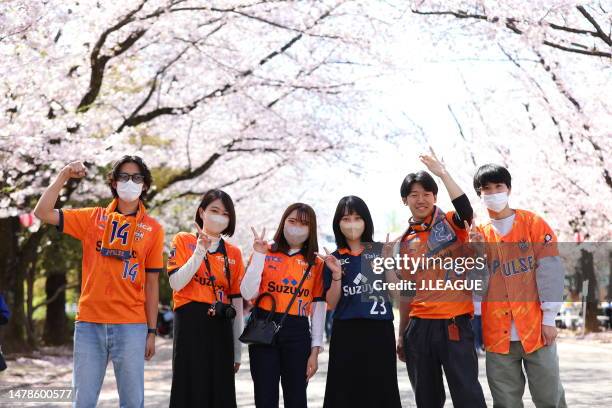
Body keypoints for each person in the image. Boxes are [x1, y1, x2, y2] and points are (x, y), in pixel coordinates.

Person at [34, 157, 164, 408]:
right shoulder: (92, 218)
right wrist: (63, 176)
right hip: (89, 324)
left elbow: (152, 283)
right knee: (82, 401)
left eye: (137, 178)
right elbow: (42, 212)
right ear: (114, 183)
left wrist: (151, 331)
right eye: (124, 177)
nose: (130, 182)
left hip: (131, 325)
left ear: (145, 186)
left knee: (132, 402)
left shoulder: (153, 229)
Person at [471, 163, 566, 408]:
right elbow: (476, 287)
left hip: (536, 330)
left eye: (498, 187)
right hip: (497, 336)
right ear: (480, 195)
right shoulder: (478, 234)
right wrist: (476, 254)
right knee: (505, 402)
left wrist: (549, 319)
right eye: (486, 189)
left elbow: (551, 272)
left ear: (509, 188)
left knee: (549, 398)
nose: (493, 193)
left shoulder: (533, 224)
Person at [396, 153, 487, 408]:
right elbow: (407, 292)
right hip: (419, 329)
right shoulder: (404, 242)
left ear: (435, 197)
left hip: (454, 325)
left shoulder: (450, 223)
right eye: (414, 194)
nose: (421, 199)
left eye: (427, 193)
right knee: (426, 398)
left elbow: (465, 211)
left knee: (468, 395)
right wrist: (402, 334)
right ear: (405, 200)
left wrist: (443, 174)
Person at [240, 203, 326, 408]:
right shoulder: (264, 250)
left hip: (297, 332)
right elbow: (247, 293)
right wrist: (259, 256)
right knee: (264, 397)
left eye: (304, 223)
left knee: (296, 398)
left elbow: (319, 309)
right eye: (292, 221)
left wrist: (315, 350)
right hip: (263, 327)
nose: (297, 227)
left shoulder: (317, 263)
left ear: (311, 229)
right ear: (283, 222)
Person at [320, 196, 401, 408]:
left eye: (357, 218)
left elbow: (397, 295)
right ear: (338, 223)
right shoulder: (334, 258)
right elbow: (330, 302)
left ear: (366, 221)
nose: (352, 223)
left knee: (381, 389)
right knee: (345, 390)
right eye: (346, 218)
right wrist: (336, 274)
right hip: (345, 331)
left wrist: (389, 263)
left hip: (379, 330)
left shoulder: (381, 250)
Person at [167, 189, 245, 408]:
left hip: (221, 326)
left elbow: (236, 302)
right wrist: (200, 251)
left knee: (220, 391)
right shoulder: (183, 240)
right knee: (189, 388)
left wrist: (237, 350)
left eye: (225, 213)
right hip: (189, 322)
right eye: (214, 210)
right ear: (201, 212)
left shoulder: (234, 253)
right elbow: (176, 283)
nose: (219, 216)